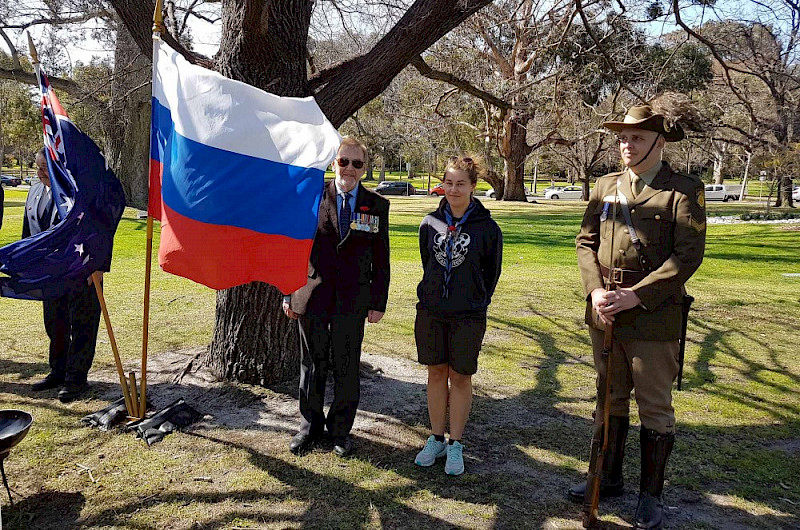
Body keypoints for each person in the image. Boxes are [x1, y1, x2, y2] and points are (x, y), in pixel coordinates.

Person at [571, 98, 706, 529]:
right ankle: (606, 478)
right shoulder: (605, 186)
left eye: (637, 137)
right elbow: (585, 243)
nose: (627, 145)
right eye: (623, 137)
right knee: (608, 397)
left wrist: (637, 295)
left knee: (653, 405)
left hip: (653, 314)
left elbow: (687, 257)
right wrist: (594, 292)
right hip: (605, 310)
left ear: (659, 142)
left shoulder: (683, 190)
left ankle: (651, 496)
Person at [283, 136, 390, 457]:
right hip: (310, 295)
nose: (350, 169)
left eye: (357, 163)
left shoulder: (376, 205)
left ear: (364, 168)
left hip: (352, 301)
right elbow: (292, 250)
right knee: (311, 365)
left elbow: (381, 260)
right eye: (344, 161)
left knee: (346, 366)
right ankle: (309, 428)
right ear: (333, 163)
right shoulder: (311, 196)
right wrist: (288, 293)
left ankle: (341, 431)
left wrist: (377, 301)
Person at [413, 156, 502, 476]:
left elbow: (491, 273)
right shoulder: (429, 223)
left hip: (468, 315)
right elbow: (428, 264)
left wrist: (473, 299)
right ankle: (436, 438)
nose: (453, 189)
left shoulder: (488, 229)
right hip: (432, 312)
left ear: (473, 186)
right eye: (448, 183)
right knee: (436, 373)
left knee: (461, 377)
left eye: (460, 183)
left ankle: (456, 444)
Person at [26, 148, 103, 403]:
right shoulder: (35, 191)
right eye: (37, 167)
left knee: (81, 325)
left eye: (45, 168)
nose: (40, 174)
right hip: (49, 275)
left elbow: (99, 228)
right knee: (54, 324)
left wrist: (99, 266)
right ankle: (58, 371)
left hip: (80, 270)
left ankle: (76, 379)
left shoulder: (77, 192)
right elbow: (29, 234)